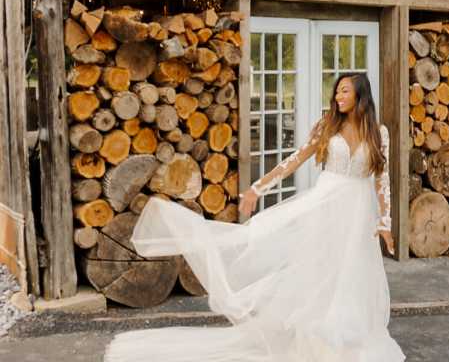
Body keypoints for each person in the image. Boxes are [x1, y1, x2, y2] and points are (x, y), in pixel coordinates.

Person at [104, 72, 405, 362]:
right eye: (337, 91)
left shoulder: (379, 133)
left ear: (360, 96)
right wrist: (257, 189)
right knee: (321, 274)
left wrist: (384, 222)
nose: (338, 96)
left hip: (357, 214)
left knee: (351, 275)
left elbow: (382, 179)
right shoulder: (326, 126)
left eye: (344, 91)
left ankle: (350, 344)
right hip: (325, 208)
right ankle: (319, 345)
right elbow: (294, 160)